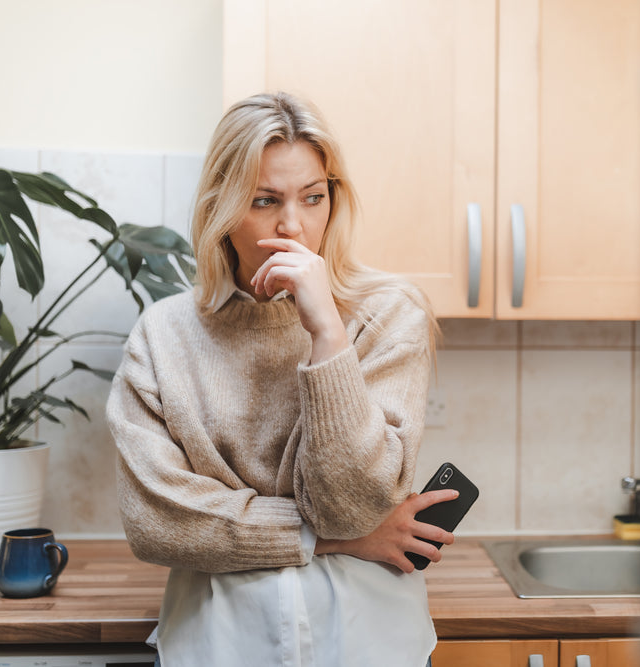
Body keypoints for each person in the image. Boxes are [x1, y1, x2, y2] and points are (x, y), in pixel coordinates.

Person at [106, 91, 455, 667]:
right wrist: (334, 541)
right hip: (219, 641)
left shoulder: (389, 314)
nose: (293, 226)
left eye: (312, 198)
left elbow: (353, 503)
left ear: (332, 199)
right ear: (222, 206)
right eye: (265, 201)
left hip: (367, 640)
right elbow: (158, 523)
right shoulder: (162, 335)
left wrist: (328, 339)